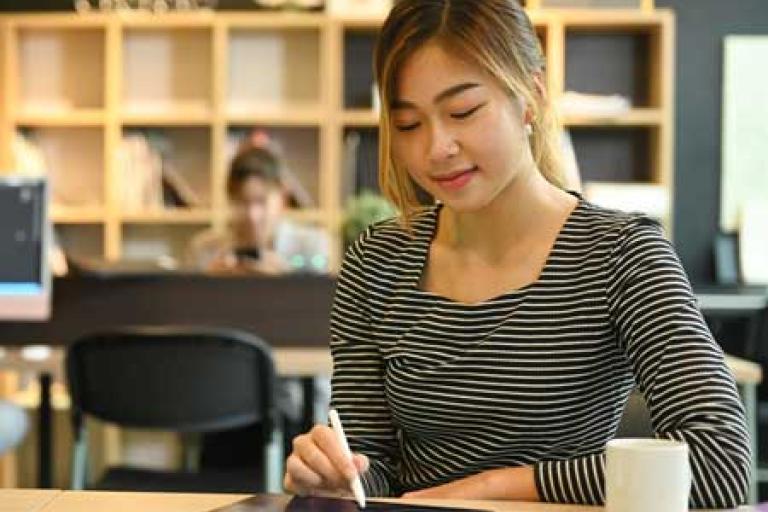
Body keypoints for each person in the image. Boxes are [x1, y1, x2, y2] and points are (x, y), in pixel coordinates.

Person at [283, 0, 750, 508]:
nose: (437, 147)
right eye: (409, 124)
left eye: (463, 112)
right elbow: (375, 468)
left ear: (530, 96)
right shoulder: (375, 263)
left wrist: (495, 487)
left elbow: (719, 462)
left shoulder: (621, 254)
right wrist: (337, 480)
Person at [186, 133, 330, 275]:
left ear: (282, 198)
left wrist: (286, 282)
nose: (252, 216)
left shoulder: (311, 245)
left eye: (262, 202)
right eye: (242, 202)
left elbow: (323, 298)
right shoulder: (204, 250)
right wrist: (210, 284)